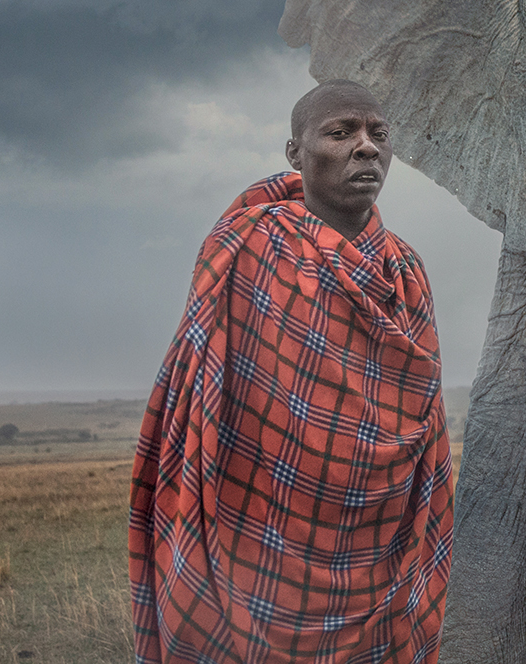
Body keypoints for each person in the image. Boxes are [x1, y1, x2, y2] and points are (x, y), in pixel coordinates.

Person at [128, 80, 453, 663]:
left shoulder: (406, 270)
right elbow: (202, 385)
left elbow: (422, 415)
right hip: (255, 516)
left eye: (378, 135)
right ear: (294, 152)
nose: (366, 148)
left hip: (379, 534)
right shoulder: (247, 244)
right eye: (340, 133)